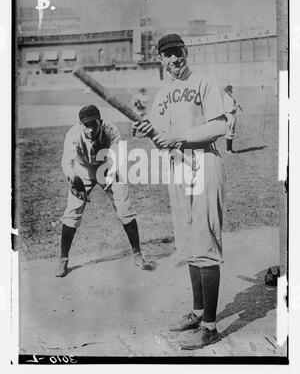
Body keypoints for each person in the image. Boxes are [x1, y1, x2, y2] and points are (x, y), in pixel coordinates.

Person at [136, 34, 227, 349]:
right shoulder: (162, 94)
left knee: (205, 244)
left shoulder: (204, 83)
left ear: (186, 53)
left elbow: (219, 126)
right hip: (178, 168)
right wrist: (151, 133)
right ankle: (198, 312)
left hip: (203, 164)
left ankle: (211, 326)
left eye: (179, 53)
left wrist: (181, 138)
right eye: (168, 55)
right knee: (189, 245)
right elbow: (162, 138)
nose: (174, 59)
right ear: (160, 59)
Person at [56, 104, 152, 277]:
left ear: (100, 121)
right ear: (80, 124)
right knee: (72, 211)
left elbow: (117, 158)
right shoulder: (73, 134)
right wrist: (74, 179)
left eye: (94, 124)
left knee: (125, 209)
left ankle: (138, 254)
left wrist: (110, 174)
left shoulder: (111, 130)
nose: (90, 128)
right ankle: (63, 260)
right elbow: (66, 163)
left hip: (107, 167)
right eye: (86, 125)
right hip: (82, 169)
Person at [223, 85, 237, 153]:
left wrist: (234, 104)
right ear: (228, 90)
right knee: (230, 133)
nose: (232, 91)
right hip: (230, 115)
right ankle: (229, 150)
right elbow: (232, 110)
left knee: (230, 132)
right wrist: (236, 106)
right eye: (231, 90)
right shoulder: (228, 98)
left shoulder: (227, 97)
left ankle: (229, 149)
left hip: (228, 115)